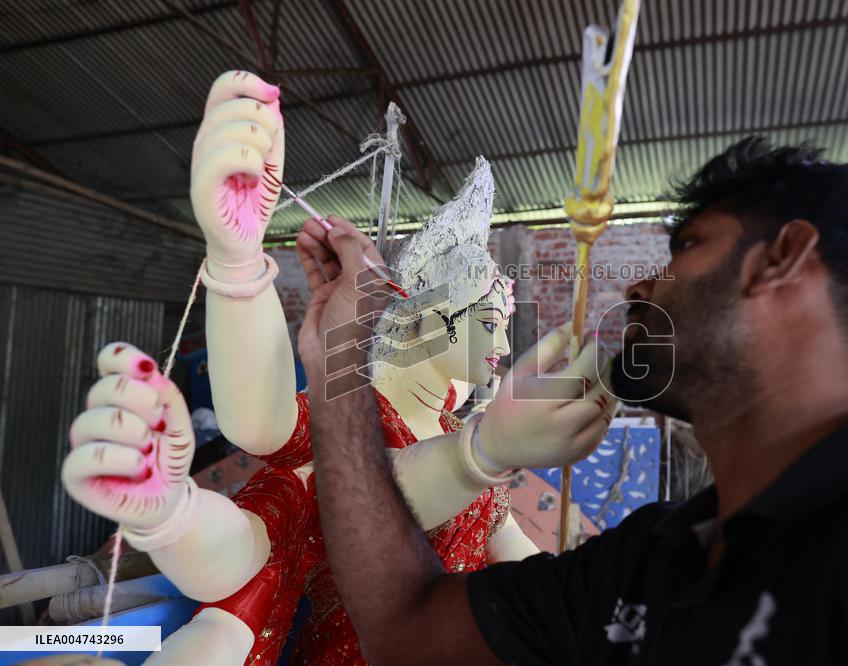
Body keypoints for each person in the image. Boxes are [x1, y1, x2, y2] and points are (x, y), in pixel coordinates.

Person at [299, 137, 848, 665]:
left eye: (688, 246)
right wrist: (340, 366)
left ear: (783, 258)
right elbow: (405, 626)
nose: (639, 288)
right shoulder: (651, 561)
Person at [59, 71, 614, 665]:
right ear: (427, 320)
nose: (505, 335)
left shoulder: (452, 428)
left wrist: (590, 616)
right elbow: (272, 436)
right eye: (489, 318)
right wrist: (237, 261)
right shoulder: (350, 424)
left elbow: (515, 555)